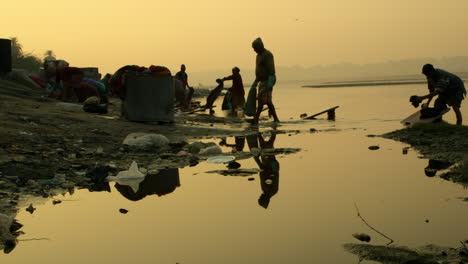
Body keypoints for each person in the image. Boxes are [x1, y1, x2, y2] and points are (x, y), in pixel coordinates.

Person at [250, 38, 280, 124]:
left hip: (268, 80)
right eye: (253, 48)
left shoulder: (267, 55)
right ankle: (275, 119)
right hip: (261, 81)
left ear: (260, 46)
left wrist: (270, 83)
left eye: (255, 48)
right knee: (265, 100)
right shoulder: (258, 56)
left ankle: (256, 119)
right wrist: (255, 82)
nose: (254, 50)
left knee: (263, 100)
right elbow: (259, 70)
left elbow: (271, 70)